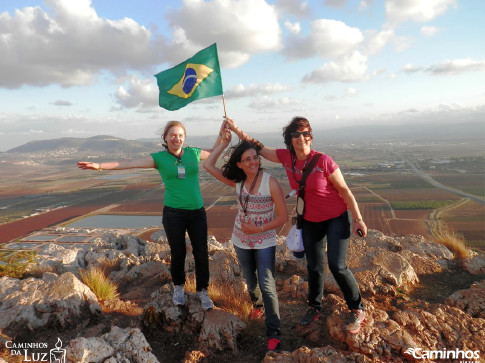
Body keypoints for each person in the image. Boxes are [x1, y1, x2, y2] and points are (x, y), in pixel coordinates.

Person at [225, 116, 368, 334]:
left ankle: (357, 308)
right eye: (296, 134)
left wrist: (357, 218)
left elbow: (345, 191)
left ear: (311, 136)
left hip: (336, 218)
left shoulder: (324, 161)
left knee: (337, 266)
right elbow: (258, 148)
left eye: (305, 133)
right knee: (314, 266)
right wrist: (236, 130)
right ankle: (314, 306)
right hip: (310, 220)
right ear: (289, 139)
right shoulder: (286, 157)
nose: (301, 138)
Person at [77, 120, 221, 311]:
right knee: (177, 253)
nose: (176, 138)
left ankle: (202, 291)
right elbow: (129, 163)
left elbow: (213, 152)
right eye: (173, 135)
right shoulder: (159, 158)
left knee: (201, 253)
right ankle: (178, 288)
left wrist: (222, 134)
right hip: (174, 213)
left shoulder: (194, 153)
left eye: (180, 135)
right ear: (166, 138)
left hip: (197, 212)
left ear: (184, 138)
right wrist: (100, 166)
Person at [203, 126, 288, 352]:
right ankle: (257, 306)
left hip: (265, 241)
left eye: (255, 158)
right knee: (251, 281)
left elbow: (283, 217)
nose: (253, 162)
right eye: (247, 159)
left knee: (267, 285)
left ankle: (274, 332)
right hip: (240, 240)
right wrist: (222, 142)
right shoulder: (237, 182)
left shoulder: (270, 183)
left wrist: (258, 230)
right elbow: (208, 165)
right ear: (239, 164)